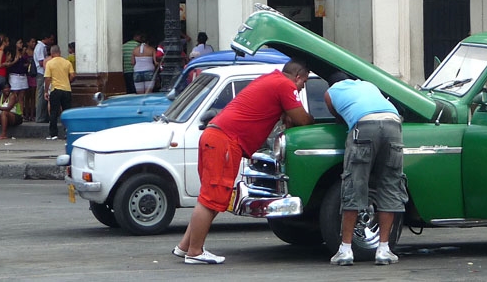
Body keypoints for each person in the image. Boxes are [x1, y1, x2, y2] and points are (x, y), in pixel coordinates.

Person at [173, 59, 314, 265]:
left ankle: (185, 246)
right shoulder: (285, 85)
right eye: (304, 82)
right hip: (225, 142)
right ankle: (195, 252)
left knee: (210, 197)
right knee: (211, 198)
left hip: (215, 136)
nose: (302, 88)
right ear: (298, 76)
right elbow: (303, 120)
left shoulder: (271, 79)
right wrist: (306, 118)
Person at [324, 75, 407, 266]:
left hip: (364, 126)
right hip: (393, 124)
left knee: (354, 184)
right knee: (390, 184)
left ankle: (345, 250)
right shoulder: (369, 84)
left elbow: (339, 118)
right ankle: (384, 250)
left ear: (332, 82)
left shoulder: (330, 92)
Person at [44, 43, 75, 140]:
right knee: (67, 111)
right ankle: (68, 131)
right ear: (60, 52)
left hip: (55, 89)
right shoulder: (67, 62)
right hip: (67, 89)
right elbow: (73, 75)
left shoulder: (50, 63)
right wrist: (67, 81)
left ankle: (53, 134)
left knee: (54, 112)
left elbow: (48, 79)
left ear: (52, 53)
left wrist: (46, 91)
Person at [7, 39, 32, 114]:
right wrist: (15, 60)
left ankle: (20, 113)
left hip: (23, 76)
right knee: (14, 95)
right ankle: (13, 112)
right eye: (20, 43)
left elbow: (24, 63)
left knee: (22, 96)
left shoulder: (23, 53)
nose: (21, 44)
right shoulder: (11, 53)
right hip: (14, 76)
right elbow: (8, 63)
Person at [32, 36, 51, 123]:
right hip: (41, 73)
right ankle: (39, 117)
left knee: (44, 96)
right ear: (46, 38)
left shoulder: (42, 47)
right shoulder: (40, 47)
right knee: (41, 96)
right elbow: (40, 62)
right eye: (51, 39)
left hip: (43, 73)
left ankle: (43, 116)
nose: (51, 41)